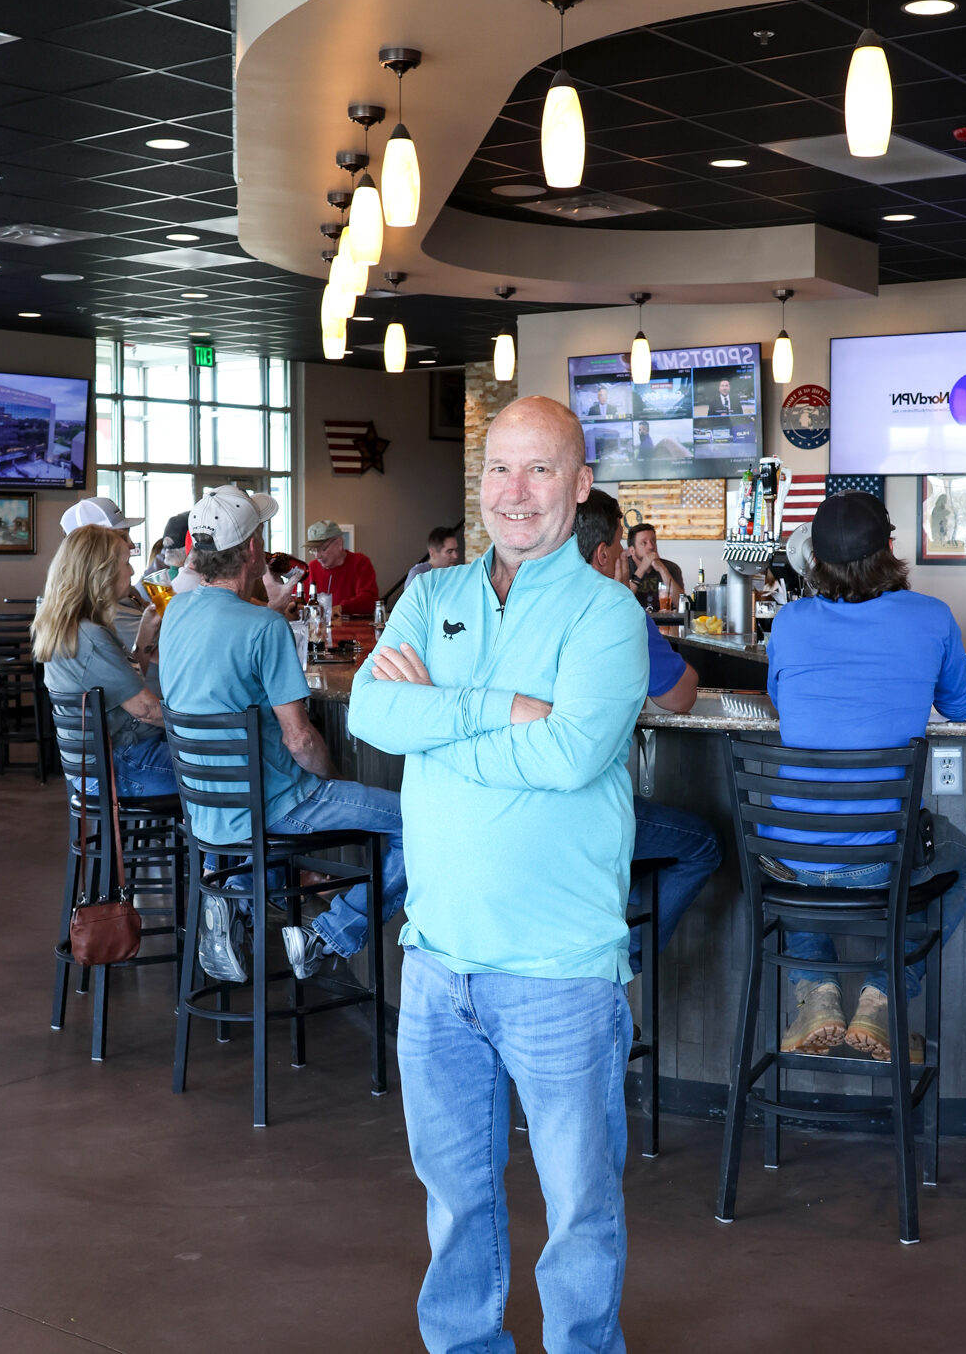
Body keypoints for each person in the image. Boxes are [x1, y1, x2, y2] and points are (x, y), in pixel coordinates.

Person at [349, 395, 647, 1354]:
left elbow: (568, 757)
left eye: (540, 470)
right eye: (499, 472)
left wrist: (443, 724)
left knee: (579, 1209)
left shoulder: (609, 614)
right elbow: (372, 718)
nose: (516, 494)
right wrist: (506, 707)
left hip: (559, 967)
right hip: (436, 957)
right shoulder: (431, 596)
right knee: (454, 1200)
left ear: (580, 484)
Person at [158, 486, 407, 985]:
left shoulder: (174, 614)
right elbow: (301, 742)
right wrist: (334, 779)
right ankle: (329, 932)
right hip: (275, 809)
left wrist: (269, 610)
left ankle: (236, 906)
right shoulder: (262, 628)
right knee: (424, 823)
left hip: (209, 812)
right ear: (253, 549)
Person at [764, 489, 966, 1060]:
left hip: (791, 863)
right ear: (890, 547)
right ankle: (884, 995)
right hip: (884, 864)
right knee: (965, 859)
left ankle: (815, 987)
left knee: (795, 860)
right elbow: (962, 707)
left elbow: (782, 701)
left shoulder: (789, 621)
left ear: (815, 560)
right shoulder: (931, 617)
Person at [575, 488, 722, 971]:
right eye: (619, 545)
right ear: (602, 554)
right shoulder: (614, 608)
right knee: (704, 845)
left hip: (512, 812)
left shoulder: (518, 600)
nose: (622, 555)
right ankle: (623, 967)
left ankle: (607, 933)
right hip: (588, 811)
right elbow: (681, 697)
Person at [33, 525, 173, 796]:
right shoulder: (90, 636)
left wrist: (144, 636)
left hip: (97, 763)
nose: (132, 571)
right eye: (126, 563)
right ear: (102, 572)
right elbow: (146, 710)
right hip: (119, 765)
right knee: (236, 766)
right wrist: (209, 727)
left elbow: (125, 687)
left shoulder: (74, 626)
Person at [60, 497, 148, 652]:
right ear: (96, 549)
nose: (132, 544)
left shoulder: (124, 593)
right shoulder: (104, 608)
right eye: (122, 536)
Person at [305, 519, 379, 617]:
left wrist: (340, 608)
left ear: (339, 544)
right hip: (319, 630)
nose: (317, 556)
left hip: (352, 630)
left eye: (322, 549)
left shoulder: (360, 563)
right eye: (313, 550)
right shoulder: (312, 567)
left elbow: (369, 600)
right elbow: (299, 602)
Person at [625, 522, 684, 606]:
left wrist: (663, 570)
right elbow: (623, 601)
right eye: (644, 543)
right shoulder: (623, 567)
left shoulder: (672, 567)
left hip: (665, 618)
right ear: (632, 551)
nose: (651, 547)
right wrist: (642, 569)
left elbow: (681, 604)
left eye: (653, 541)